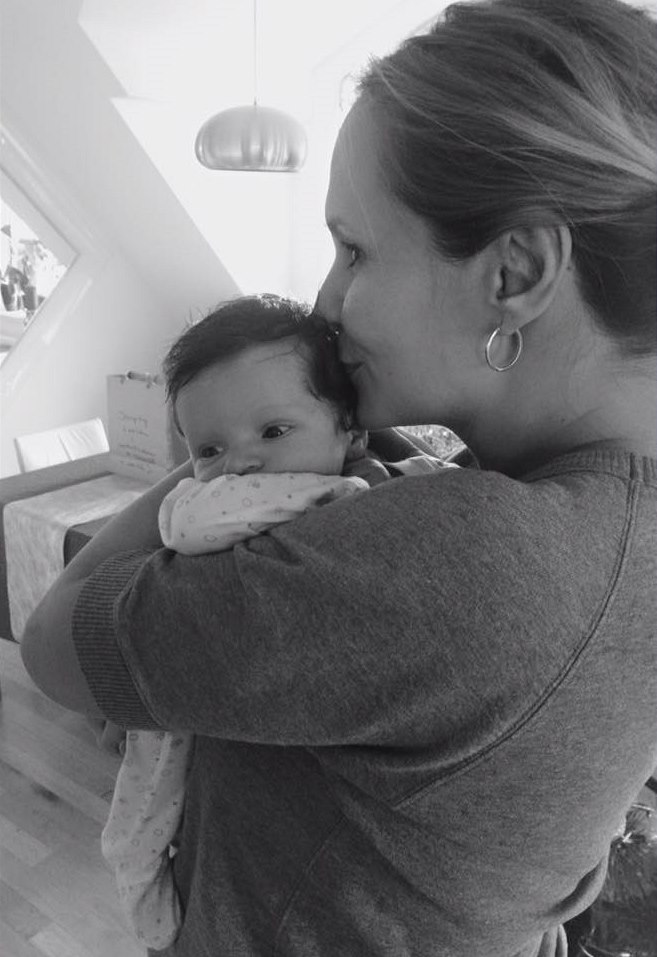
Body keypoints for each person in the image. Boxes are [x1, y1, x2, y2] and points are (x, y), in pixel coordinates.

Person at [20, 0, 657, 954]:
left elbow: (54, 642)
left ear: (515, 270)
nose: (324, 300)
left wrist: (223, 460)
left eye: (352, 247)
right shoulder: (607, 521)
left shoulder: (468, 559)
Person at [103, 293, 449, 950]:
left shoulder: (376, 487)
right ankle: (148, 912)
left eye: (273, 432)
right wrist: (333, 490)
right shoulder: (200, 506)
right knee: (141, 817)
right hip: (177, 700)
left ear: (351, 431)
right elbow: (189, 524)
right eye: (209, 447)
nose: (239, 464)